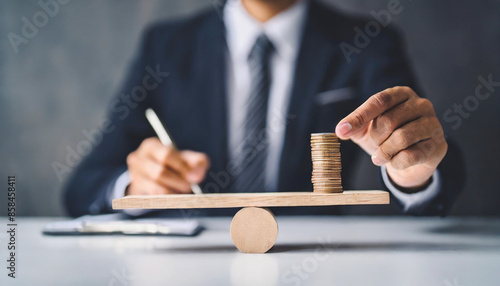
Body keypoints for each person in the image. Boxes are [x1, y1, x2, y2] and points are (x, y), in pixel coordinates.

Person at [64, 0, 464, 217]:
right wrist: (135, 185)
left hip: (324, 262)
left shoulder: (369, 41)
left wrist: (413, 171)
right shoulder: (165, 46)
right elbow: (84, 187)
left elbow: (432, 155)